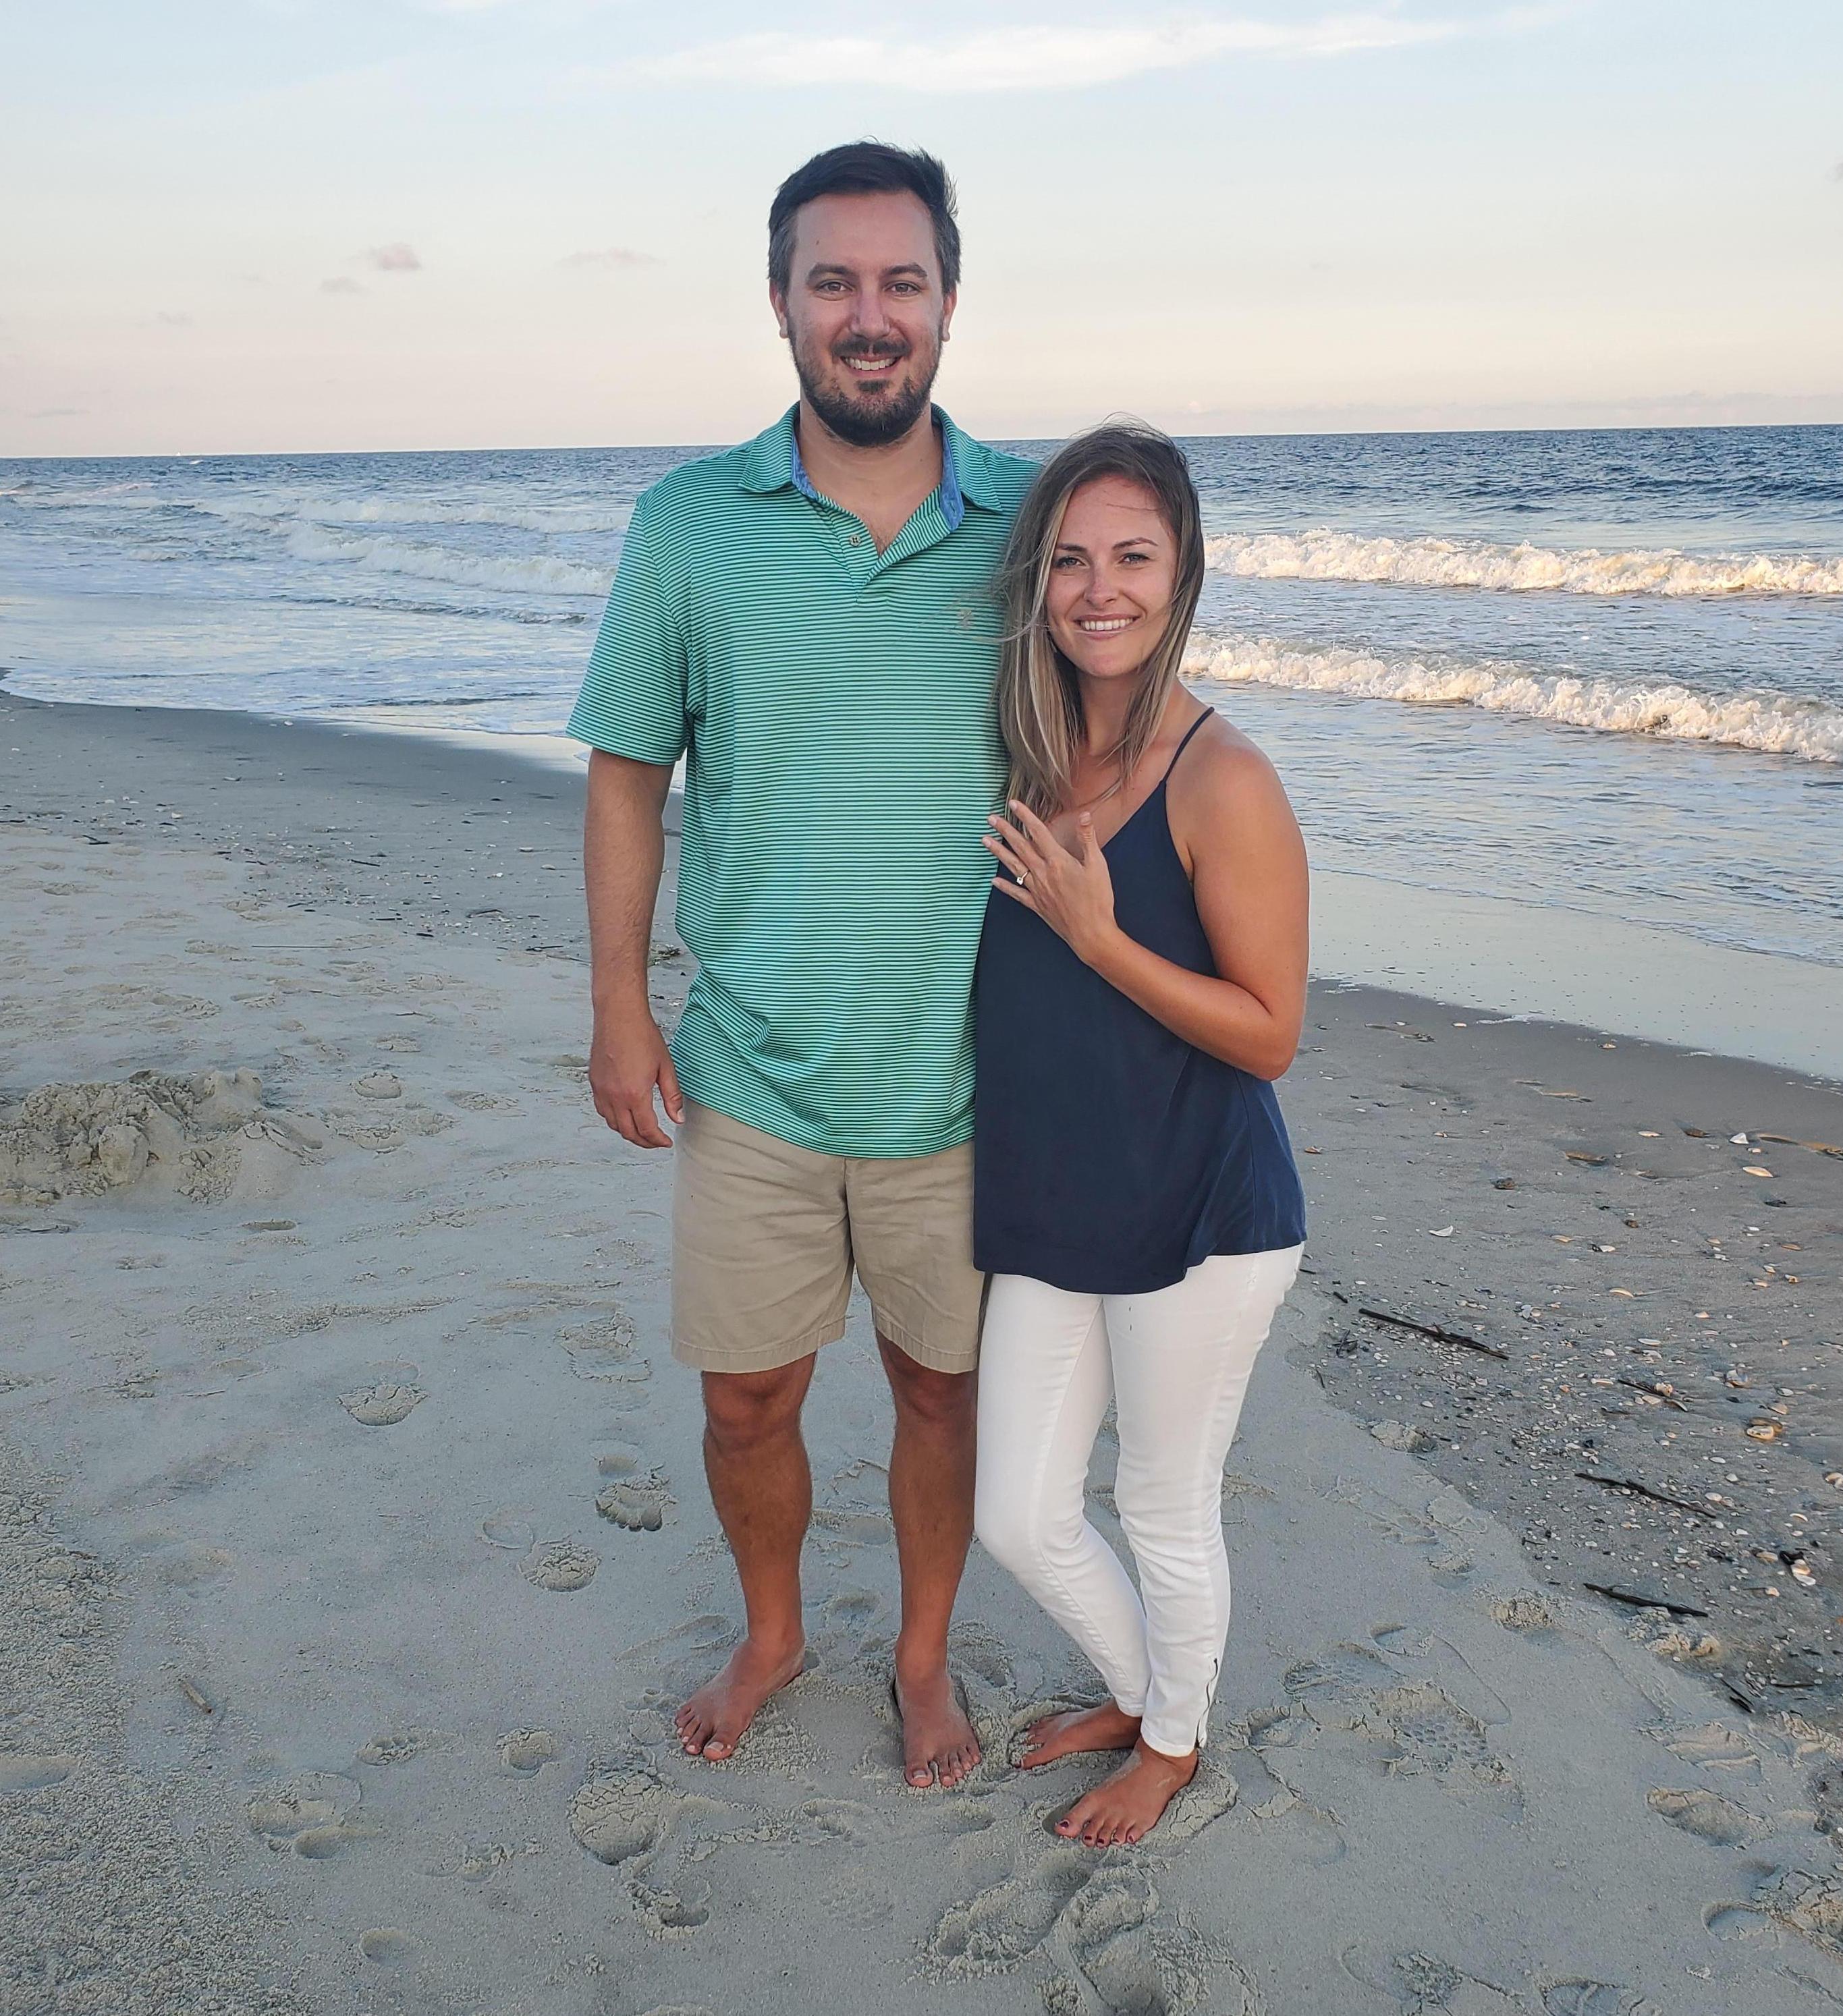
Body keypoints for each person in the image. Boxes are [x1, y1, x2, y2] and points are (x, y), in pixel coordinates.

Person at [569, 143, 1037, 1787]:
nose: (868, 317)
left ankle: (920, 1659)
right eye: (833, 282)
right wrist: (623, 1007)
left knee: (939, 1394)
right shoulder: (690, 525)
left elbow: (1127, 754)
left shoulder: (1034, 526)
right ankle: (772, 1633)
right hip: (753, 1061)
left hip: (968, 1071)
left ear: (949, 305)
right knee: (748, 1403)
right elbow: (630, 765)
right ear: (780, 303)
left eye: (900, 283)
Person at [971, 423, 1309, 1846]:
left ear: (1182, 576)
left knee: (1165, 1503)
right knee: (1020, 1514)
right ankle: (1137, 1686)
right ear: (1038, 581)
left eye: (1132, 557)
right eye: (1070, 559)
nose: (1098, 588)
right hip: (1059, 1196)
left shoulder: (1223, 776)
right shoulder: (1028, 757)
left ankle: (1170, 1740)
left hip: (1200, 1209)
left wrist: (1102, 940)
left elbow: (1272, 1031)